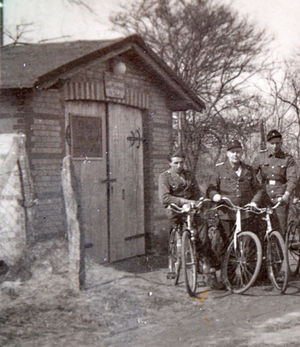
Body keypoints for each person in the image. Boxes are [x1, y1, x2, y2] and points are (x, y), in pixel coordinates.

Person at [158, 149, 221, 288]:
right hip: (175, 211)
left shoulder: (189, 175)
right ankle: (175, 257)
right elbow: (165, 198)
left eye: (181, 162)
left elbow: (197, 192)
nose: (179, 166)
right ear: (170, 163)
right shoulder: (164, 177)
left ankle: (205, 266)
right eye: (176, 163)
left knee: (202, 229)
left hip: (191, 210)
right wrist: (184, 201)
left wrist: (200, 200)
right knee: (176, 230)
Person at [207, 140, 263, 262]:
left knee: (247, 244)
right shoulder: (220, 169)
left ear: (242, 153)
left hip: (245, 213)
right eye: (232, 152)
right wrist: (216, 196)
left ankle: (246, 276)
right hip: (227, 213)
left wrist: (254, 202)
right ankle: (227, 276)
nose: (235, 155)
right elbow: (210, 189)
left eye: (238, 152)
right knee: (227, 245)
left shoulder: (248, 170)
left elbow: (258, 189)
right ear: (227, 153)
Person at [252, 129, 297, 238]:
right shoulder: (260, 157)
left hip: (280, 198)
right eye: (272, 143)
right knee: (261, 230)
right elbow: (251, 175)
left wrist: (286, 195)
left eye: (277, 143)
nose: (275, 146)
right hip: (264, 197)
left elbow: (292, 179)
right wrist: (257, 189)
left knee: (280, 231)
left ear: (281, 143)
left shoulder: (288, 159)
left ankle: (280, 255)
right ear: (268, 144)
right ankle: (261, 254)